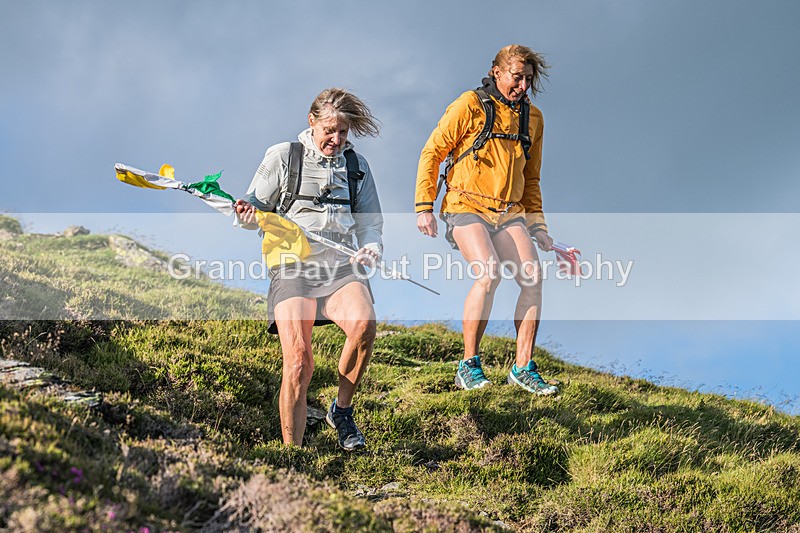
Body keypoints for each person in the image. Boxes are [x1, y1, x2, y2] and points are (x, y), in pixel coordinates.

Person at [235, 88, 383, 450]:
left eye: (343, 133)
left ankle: (342, 412)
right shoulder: (284, 156)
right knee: (300, 362)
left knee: (365, 326)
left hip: (341, 266)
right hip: (292, 265)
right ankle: (293, 453)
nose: (336, 139)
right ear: (311, 121)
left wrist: (372, 247)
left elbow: (370, 223)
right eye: (329, 130)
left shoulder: (357, 166)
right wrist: (248, 216)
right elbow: (252, 210)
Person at [415, 44, 559, 396]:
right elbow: (433, 151)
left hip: (509, 211)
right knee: (489, 272)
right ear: (497, 72)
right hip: (465, 204)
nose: (522, 85)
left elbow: (532, 178)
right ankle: (468, 364)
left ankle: (523, 367)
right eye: (516, 77)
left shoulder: (534, 119)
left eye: (528, 79)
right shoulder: (470, 105)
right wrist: (424, 205)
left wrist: (538, 226)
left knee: (533, 278)